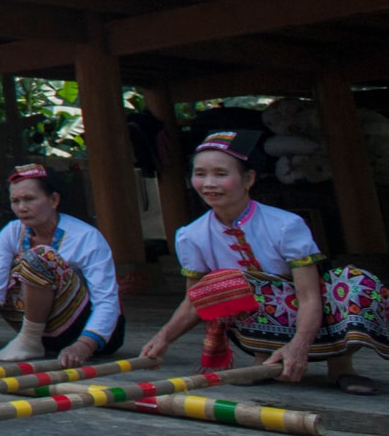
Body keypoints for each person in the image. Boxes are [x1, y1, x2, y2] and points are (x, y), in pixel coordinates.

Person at [140, 130, 389, 394]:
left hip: (314, 313)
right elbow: (195, 300)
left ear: (248, 179)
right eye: (200, 174)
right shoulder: (191, 236)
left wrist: (299, 346)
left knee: (356, 283)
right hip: (254, 320)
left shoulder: (286, 225)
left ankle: (341, 366)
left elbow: (309, 297)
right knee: (222, 284)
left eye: (221, 174)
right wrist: (163, 338)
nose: (209, 183)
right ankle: (263, 357)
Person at [0, 164, 125, 365]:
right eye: (15, 201)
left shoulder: (86, 237)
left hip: (83, 332)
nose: (21, 207)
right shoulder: (12, 231)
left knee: (38, 258)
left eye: (29, 199)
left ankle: (30, 339)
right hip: (40, 328)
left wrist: (84, 345)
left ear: (53, 200)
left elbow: (107, 302)